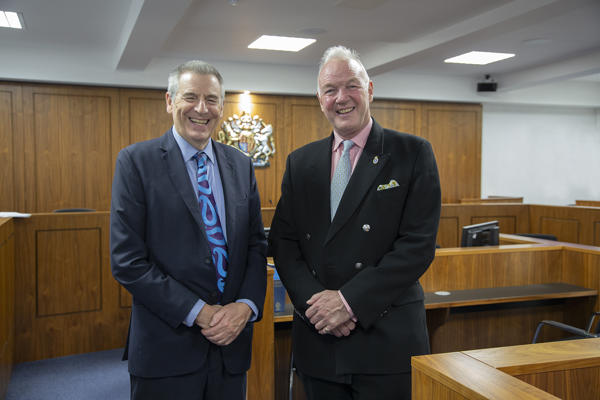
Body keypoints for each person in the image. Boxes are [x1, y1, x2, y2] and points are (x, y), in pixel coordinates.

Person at [268, 46, 441, 399]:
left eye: (352, 86)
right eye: (330, 90)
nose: (341, 98)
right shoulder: (301, 163)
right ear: (320, 99)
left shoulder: (411, 152)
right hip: (319, 338)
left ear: (370, 90)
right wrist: (317, 304)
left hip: (385, 336)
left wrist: (347, 303)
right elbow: (284, 244)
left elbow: (417, 246)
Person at [110, 60, 267, 400]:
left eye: (211, 99)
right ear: (170, 101)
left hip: (231, 349)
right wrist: (200, 313)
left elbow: (256, 244)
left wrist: (246, 306)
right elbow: (128, 261)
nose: (201, 108)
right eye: (190, 97)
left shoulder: (240, 164)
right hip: (166, 350)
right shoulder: (136, 162)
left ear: (221, 107)